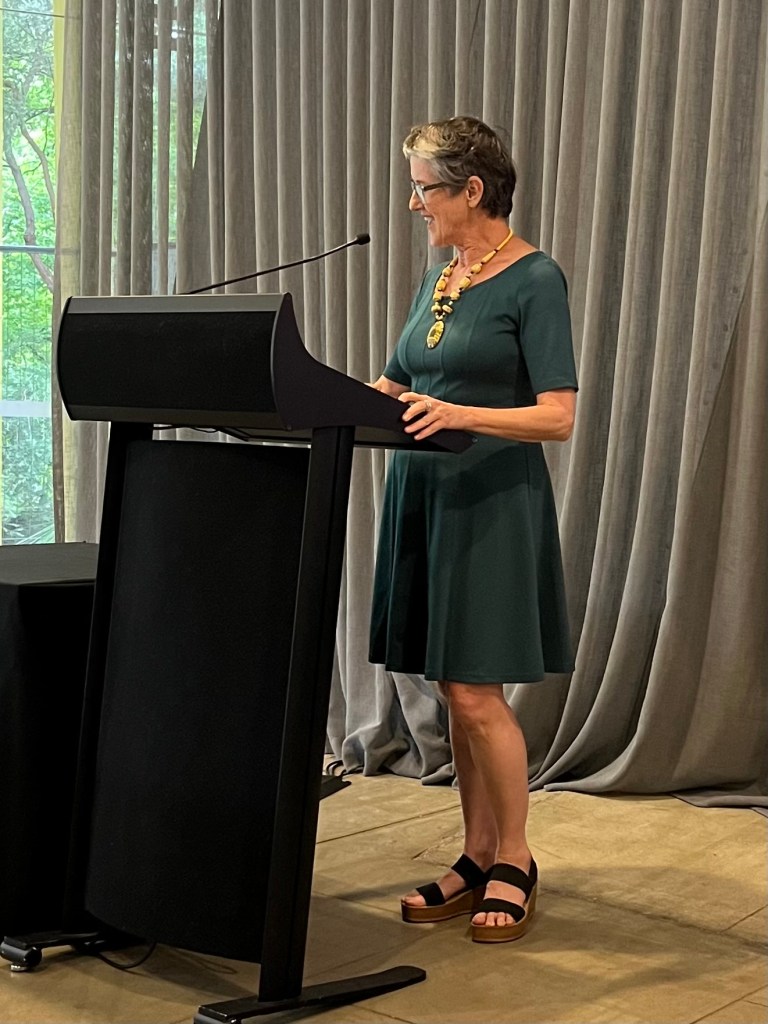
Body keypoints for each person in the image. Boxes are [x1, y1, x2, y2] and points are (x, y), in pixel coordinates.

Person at [368, 116, 578, 943]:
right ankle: (474, 851)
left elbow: (557, 418)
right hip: (425, 495)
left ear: (473, 190)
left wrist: (459, 413)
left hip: (493, 502)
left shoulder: (535, 279)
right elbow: (395, 381)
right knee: (450, 688)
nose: (415, 203)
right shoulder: (441, 275)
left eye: (424, 187)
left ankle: (516, 859)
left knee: (476, 691)